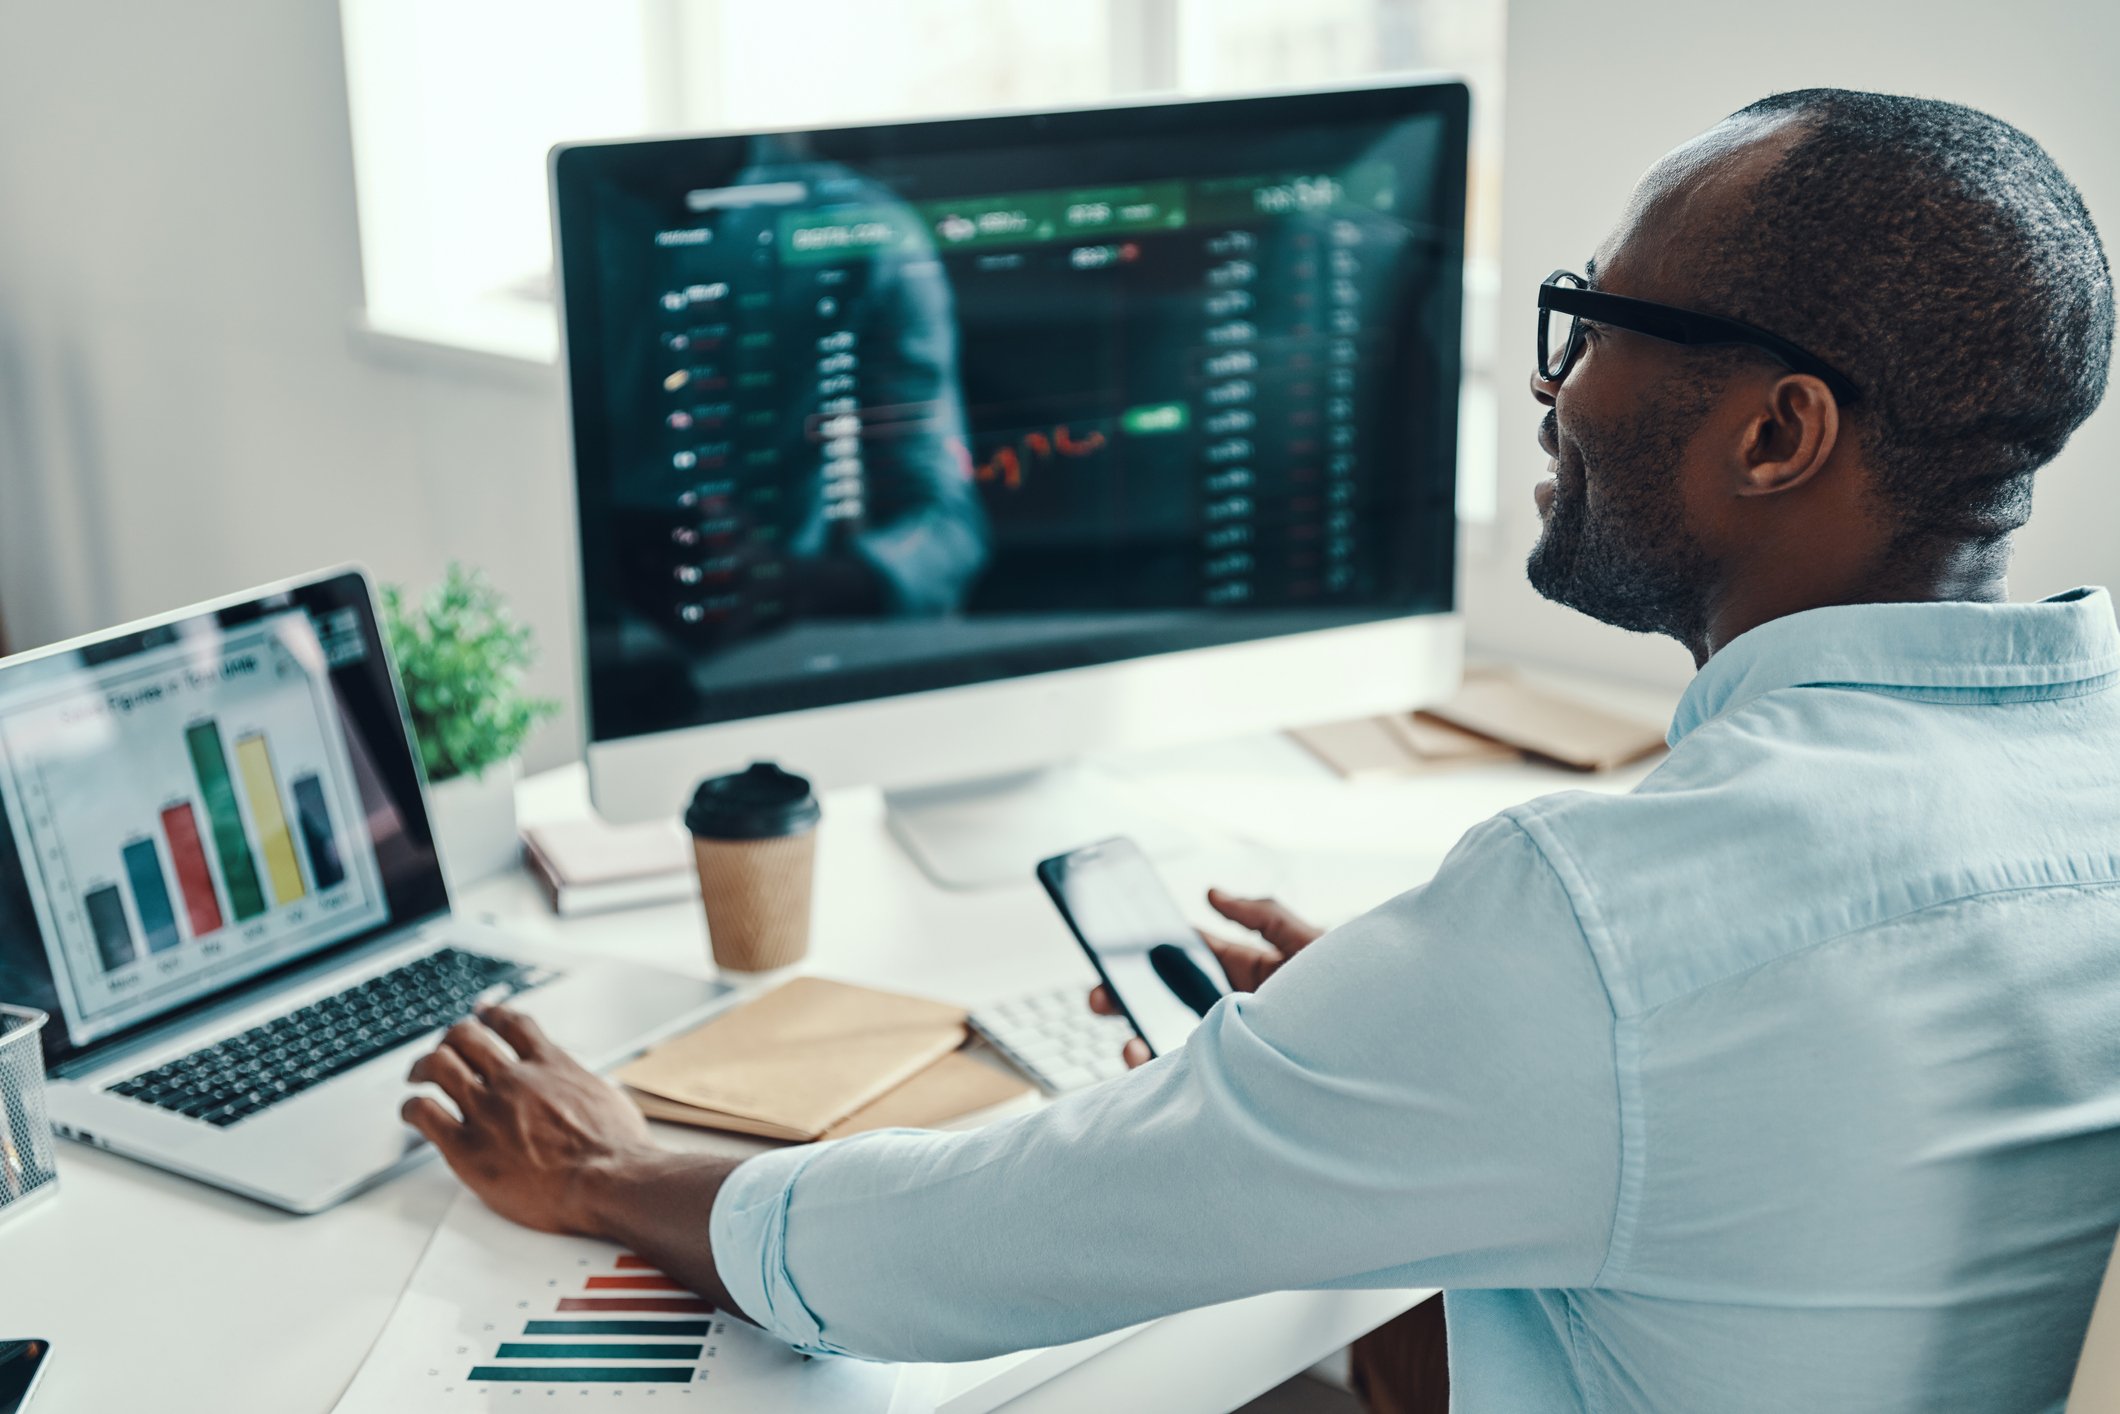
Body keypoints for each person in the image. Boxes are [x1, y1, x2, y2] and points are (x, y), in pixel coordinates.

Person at [402, 88, 2120, 1412]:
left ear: (1777, 431)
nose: (1555, 390)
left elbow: (976, 1247)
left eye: (1594, 327)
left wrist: (618, 1168)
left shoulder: (1601, 927)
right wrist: (1417, 1041)